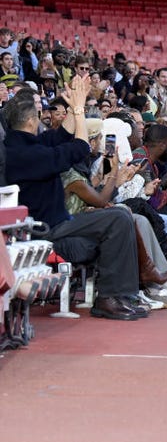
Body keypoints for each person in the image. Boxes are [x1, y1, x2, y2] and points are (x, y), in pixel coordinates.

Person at [3, 75, 143, 320]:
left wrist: (76, 102)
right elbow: (80, 147)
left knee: (122, 215)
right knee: (119, 217)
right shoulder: (30, 155)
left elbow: (64, 135)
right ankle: (110, 297)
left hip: (58, 222)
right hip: (46, 228)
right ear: (30, 121)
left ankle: (122, 294)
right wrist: (78, 111)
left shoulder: (25, 145)